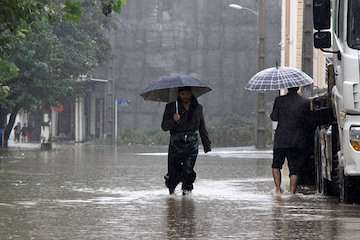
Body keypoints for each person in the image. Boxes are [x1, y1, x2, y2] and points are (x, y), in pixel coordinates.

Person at [161, 86, 211, 195]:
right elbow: (164, 126)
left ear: (191, 94)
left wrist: (207, 144)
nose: (185, 96)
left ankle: (187, 196)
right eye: (183, 94)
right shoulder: (171, 107)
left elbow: (202, 127)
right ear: (179, 94)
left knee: (188, 169)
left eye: (187, 94)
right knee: (174, 171)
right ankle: (172, 195)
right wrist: (173, 120)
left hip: (192, 144)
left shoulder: (198, 108)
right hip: (176, 143)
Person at [270, 87, 310, 194]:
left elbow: (274, 117)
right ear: (298, 88)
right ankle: (292, 192)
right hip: (296, 140)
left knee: (276, 165)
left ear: (287, 88)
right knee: (294, 168)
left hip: (281, 139)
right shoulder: (305, 102)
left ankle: (278, 189)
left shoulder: (279, 100)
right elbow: (307, 119)